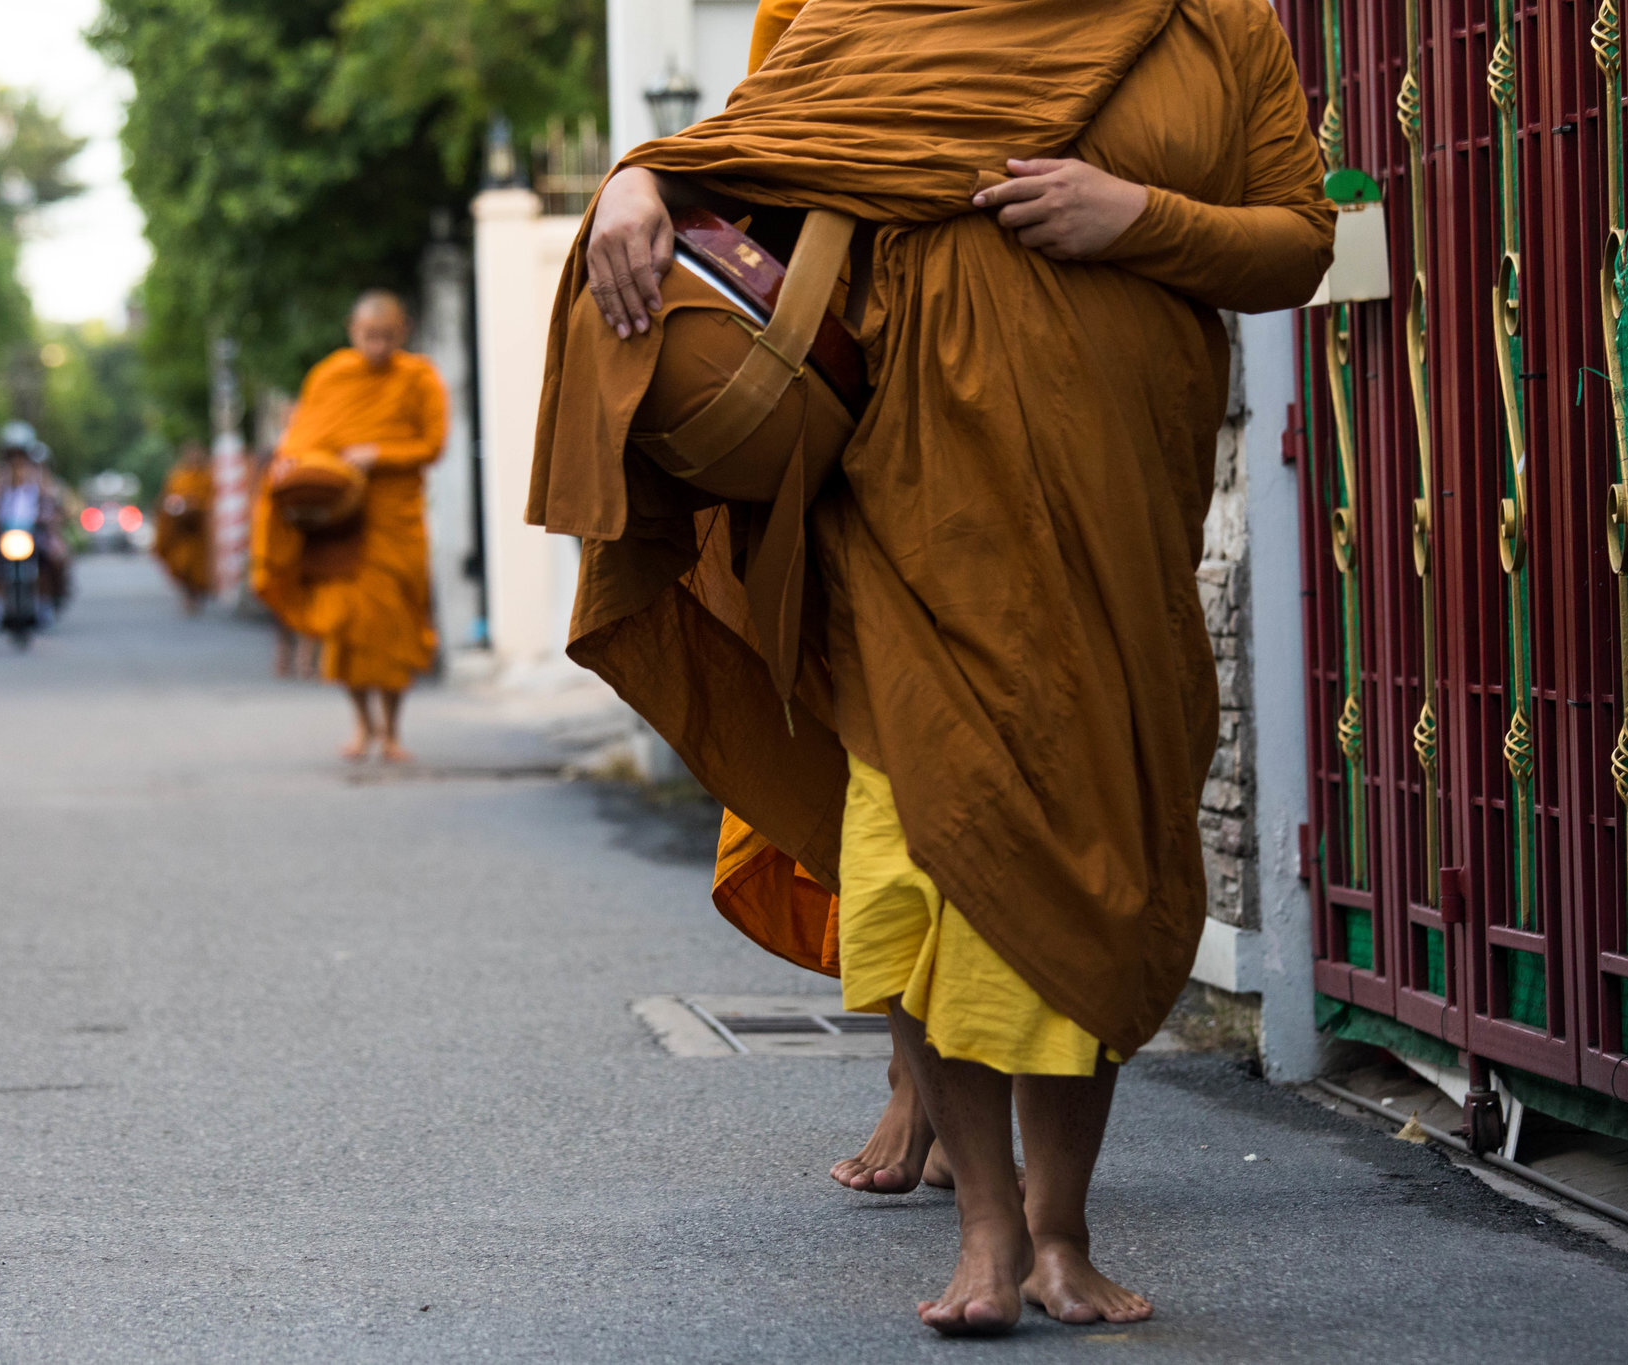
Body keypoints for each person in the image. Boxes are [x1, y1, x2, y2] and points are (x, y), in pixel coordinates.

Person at [531, 0, 1332, 1336]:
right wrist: (634, 182)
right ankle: (986, 1232)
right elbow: (761, 153)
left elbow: (1298, 243)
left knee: (1096, 842)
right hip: (911, 507)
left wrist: (1133, 216)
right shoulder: (876, 9)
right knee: (931, 835)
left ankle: (1064, 1236)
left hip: (1119, 507)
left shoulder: (1222, 25)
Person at [250, 290, 448, 761]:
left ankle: (393, 731)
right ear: (351, 330)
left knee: (395, 624)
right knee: (348, 624)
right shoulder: (331, 376)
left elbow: (433, 446)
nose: (377, 346)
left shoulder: (420, 379)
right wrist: (292, 466)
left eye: (387, 337)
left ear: (403, 334)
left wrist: (377, 455)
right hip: (341, 521)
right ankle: (362, 724)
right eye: (368, 336)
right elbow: (301, 439)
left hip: (395, 518)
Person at [0, 421, 71, 617]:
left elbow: (51, 501)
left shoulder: (40, 475)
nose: (16, 459)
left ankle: (48, 599)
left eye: (20, 454)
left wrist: (51, 517)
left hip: (35, 531)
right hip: (3, 532)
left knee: (56, 556)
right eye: (11, 454)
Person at [154, 443, 214, 614]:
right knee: (182, 564)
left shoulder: (207, 476)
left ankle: (196, 595)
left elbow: (212, 498)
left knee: (198, 567)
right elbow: (167, 497)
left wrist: (197, 505)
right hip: (180, 530)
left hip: (199, 529)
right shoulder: (177, 476)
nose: (193, 459)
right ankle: (187, 595)